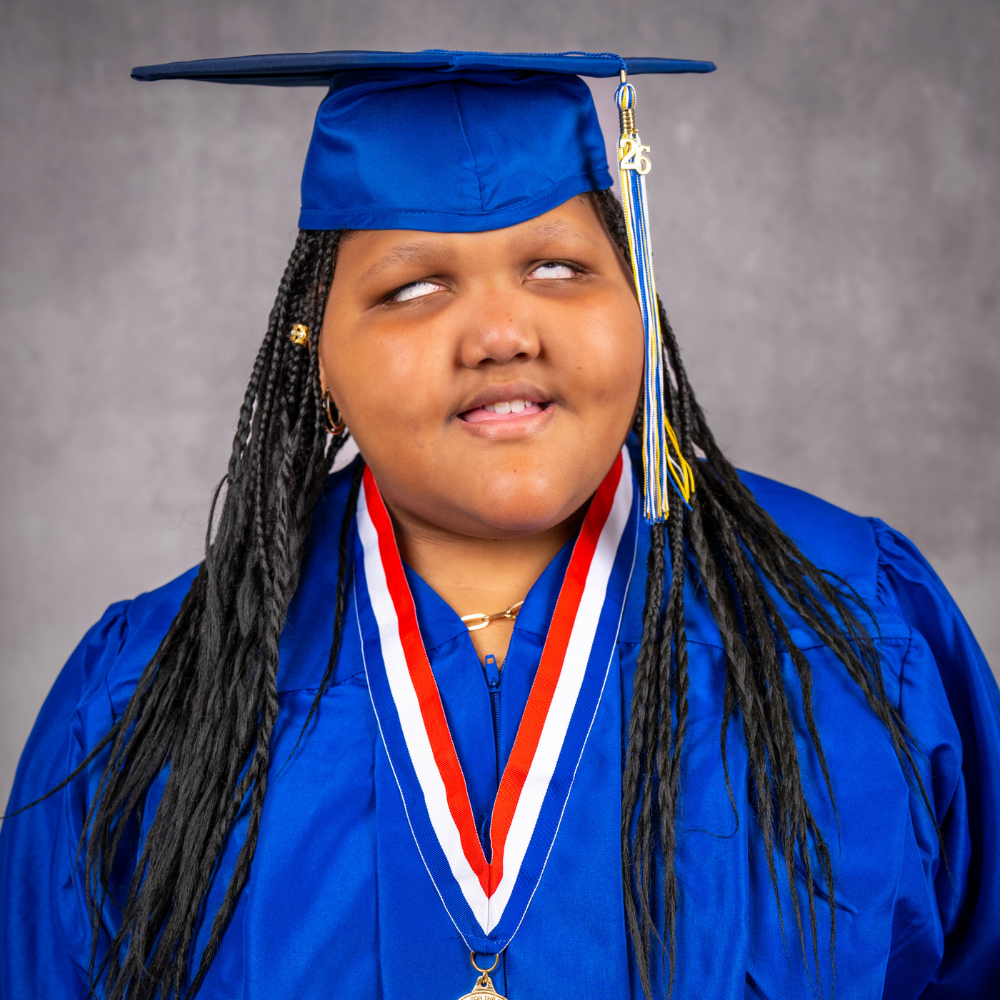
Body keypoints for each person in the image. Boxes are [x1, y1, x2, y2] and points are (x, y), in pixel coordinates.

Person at [1, 48, 998, 1000]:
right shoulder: (147, 701)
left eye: (559, 269)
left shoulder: (853, 627)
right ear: (318, 359)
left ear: (639, 307)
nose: (501, 333)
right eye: (414, 287)